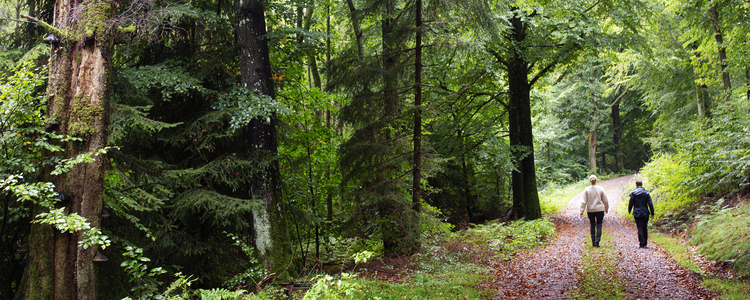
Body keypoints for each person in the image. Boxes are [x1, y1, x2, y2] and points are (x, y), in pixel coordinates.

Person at [580, 175, 609, 248]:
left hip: (590, 210)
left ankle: (593, 241)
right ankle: (597, 241)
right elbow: (605, 200)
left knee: (592, 224)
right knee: (599, 224)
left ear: (590, 181)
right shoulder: (600, 189)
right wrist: (606, 208)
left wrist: (581, 211)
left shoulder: (587, 189)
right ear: (596, 180)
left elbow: (584, 201)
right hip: (600, 210)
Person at [628, 180, 655, 248]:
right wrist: (652, 213)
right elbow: (650, 203)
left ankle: (641, 243)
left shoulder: (634, 193)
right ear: (642, 184)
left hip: (637, 212)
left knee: (639, 227)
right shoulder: (646, 193)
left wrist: (629, 209)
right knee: (645, 227)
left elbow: (631, 202)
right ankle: (645, 243)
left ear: (636, 185)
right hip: (645, 212)